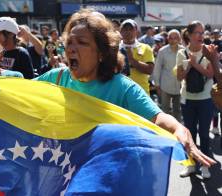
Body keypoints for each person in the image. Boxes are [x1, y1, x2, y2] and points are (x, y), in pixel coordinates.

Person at [36, 9, 215, 174]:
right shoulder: (56, 78)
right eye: (69, 42)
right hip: (64, 172)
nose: (71, 48)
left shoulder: (122, 87)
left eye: (82, 42)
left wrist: (179, 129)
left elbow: (159, 118)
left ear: (102, 52)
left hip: (107, 175)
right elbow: (16, 92)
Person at [176, 21, 215, 179]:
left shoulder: (208, 50)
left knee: (204, 134)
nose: (201, 36)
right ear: (190, 35)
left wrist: (194, 64)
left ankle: (205, 166)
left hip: (205, 98)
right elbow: (179, 77)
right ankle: (191, 164)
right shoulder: (181, 53)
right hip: (188, 99)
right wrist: (189, 66)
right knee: (189, 134)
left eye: (203, 32)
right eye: (198, 33)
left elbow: (210, 74)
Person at [153, 29, 184, 121]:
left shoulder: (184, 50)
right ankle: (165, 132)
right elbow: (157, 69)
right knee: (165, 111)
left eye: (175, 38)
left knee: (177, 111)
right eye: (171, 38)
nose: (173, 40)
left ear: (179, 39)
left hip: (180, 86)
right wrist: (157, 85)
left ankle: (177, 132)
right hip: (165, 86)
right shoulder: (162, 51)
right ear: (167, 39)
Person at [119, 19, 155, 94]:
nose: (128, 32)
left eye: (131, 29)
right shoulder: (115, 48)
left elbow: (149, 70)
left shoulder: (146, 48)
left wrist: (132, 60)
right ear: (120, 32)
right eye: (125, 29)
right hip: (121, 92)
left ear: (136, 31)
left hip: (140, 92)